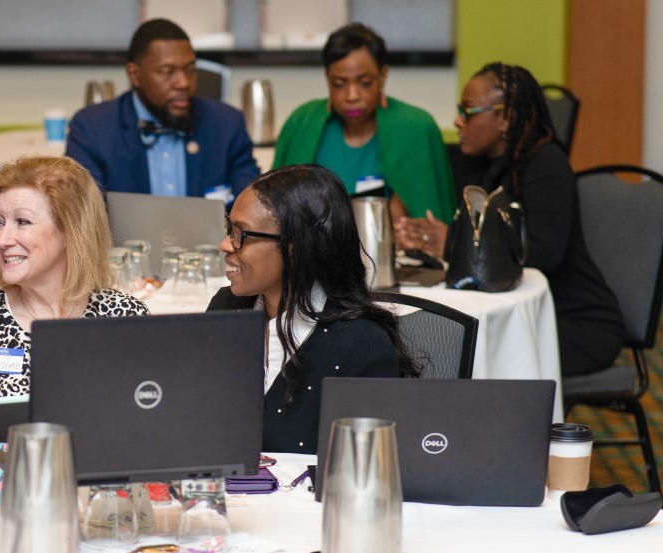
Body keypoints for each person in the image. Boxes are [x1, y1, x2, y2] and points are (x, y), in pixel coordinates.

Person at [395, 63, 624, 377]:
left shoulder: (547, 164)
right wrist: (423, 240)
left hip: (573, 321)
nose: (458, 121)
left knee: (474, 358)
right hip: (515, 314)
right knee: (444, 348)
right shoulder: (478, 163)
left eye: (469, 111)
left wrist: (450, 241)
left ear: (505, 117)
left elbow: (544, 254)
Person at [207, 164, 418, 454]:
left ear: (293, 245)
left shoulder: (360, 344)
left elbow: (367, 465)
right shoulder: (226, 310)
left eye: (241, 234)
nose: (225, 244)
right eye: (229, 228)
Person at [0, 156, 151, 410]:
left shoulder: (126, 319)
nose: (2, 240)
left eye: (23, 222)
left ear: (72, 231)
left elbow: (147, 419)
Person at [273, 23, 454, 222]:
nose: (352, 96)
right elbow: (278, 212)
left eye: (365, 83)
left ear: (383, 76)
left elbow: (420, 219)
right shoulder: (302, 122)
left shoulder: (415, 128)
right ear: (327, 78)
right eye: (339, 84)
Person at [65, 18, 259, 202]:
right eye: (168, 72)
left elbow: (251, 205)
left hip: (213, 239)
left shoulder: (227, 124)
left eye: (190, 69)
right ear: (135, 75)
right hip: (122, 239)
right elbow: (83, 215)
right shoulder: (92, 129)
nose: (184, 83)